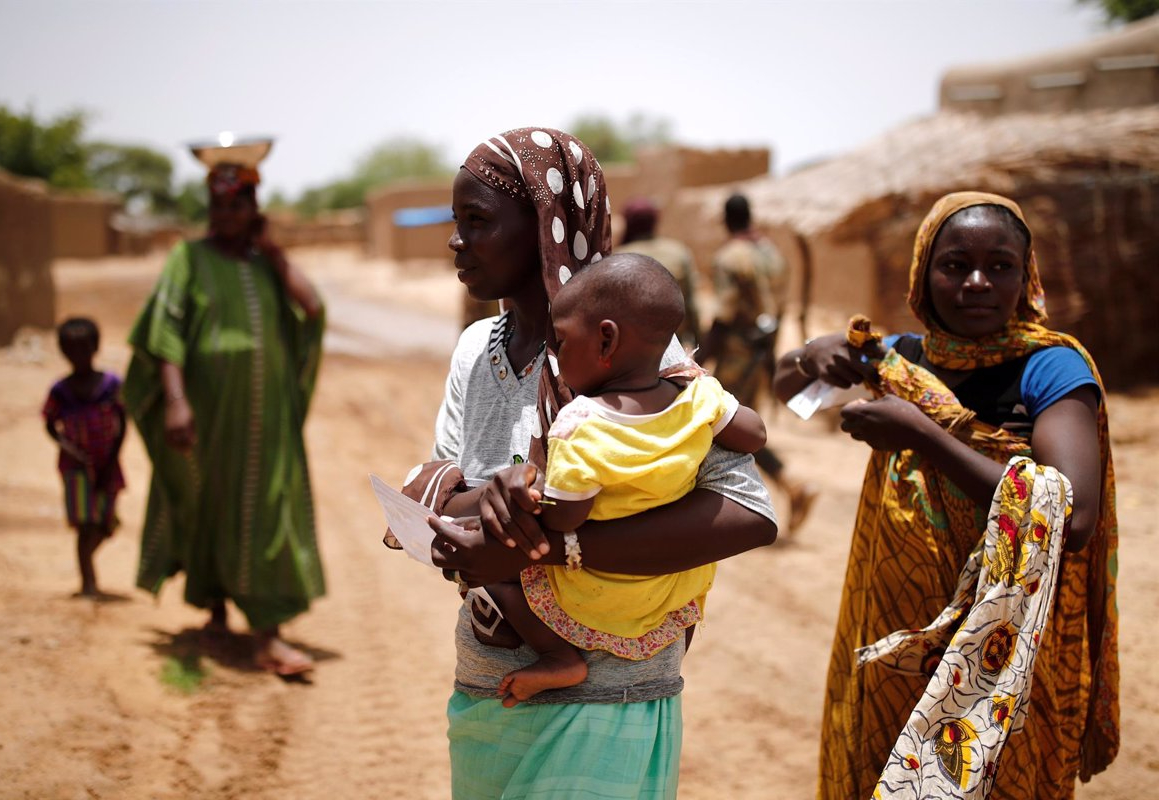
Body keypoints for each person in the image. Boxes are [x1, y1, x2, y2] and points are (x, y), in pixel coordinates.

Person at [391, 127, 776, 799]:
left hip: (612, 690)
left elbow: (748, 513)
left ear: (546, 223)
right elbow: (446, 485)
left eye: (476, 222)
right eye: (456, 222)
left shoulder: (639, 356)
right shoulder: (476, 348)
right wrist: (477, 514)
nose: (456, 241)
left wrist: (552, 547)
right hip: (491, 678)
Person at [774, 192, 1120, 799]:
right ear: (923, 275)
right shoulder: (901, 359)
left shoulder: (1051, 370)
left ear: (1025, 275)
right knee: (882, 757)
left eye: (1000, 266)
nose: (978, 282)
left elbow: (1074, 516)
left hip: (1006, 631)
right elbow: (789, 387)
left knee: (996, 772)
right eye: (956, 265)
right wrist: (813, 351)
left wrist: (922, 435)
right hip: (895, 621)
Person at [474, 252, 767, 707]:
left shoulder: (581, 424)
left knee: (491, 574)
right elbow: (753, 435)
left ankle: (558, 657)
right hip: (670, 589)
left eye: (564, 341)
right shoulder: (699, 396)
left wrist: (533, 494)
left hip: (595, 594)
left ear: (606, 341)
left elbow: (567, 519)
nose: (557, 354)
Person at [123, 149, 326, 676]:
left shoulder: (266, 263)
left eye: (238, 204)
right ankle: (216, 611)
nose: (227, 214)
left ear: (254, 207)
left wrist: (273, 251)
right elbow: (164, 332)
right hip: (208, 415)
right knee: (209, 502)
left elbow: (313, 309)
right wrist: (175, 401)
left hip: (268, 418)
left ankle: (267, 634)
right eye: (218, 203)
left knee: (268, 508)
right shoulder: (186, 259)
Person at [699, 192, 817, 532]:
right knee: (740, 426)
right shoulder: (773, 254)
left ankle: (787, 485)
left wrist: (698, 359)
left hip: (738, 355)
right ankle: (790, 487)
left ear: (726, 219)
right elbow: (778, 310)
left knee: (721, 425)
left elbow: (725, 315)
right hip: (763, 352)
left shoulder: (729, 258)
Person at [43, 317, 127, 597]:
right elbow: (50, 425)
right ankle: (88, 581)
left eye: (83, 349)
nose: (78, 356)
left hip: (107, 463)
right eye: (71, 350)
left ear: (95, 348)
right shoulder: (61, 391)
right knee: (85, 522)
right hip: (75, 468)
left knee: (105, 522)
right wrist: (71, 451)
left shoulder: (111, 384)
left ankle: (87, 568)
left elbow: (122, 423)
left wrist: (113, 458)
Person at [616, 198, 701, 349]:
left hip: (633, 350)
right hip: (674, 343)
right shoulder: (679, 252)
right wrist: (699, 341)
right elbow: (691, 304)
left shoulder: (618, 258)